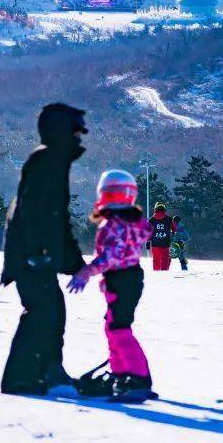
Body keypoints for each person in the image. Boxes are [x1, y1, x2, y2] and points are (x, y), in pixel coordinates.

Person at [0, 103, 87, 396]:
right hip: (30, 256)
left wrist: (75, 262)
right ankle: (21, 378)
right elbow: (35, 211)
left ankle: (49, 371)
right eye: (75, 131)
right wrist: (39, 252)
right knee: (42, 312)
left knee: (52, 311)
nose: (79, 138)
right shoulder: (46, 160)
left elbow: (57, 220)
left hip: (35, 254)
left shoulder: (53, 160)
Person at [68, 170, 156, 401]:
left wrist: (86, 271)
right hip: (130, 279)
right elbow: (143, 234)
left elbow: (112, 256)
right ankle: (121, 375)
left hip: (121, 280)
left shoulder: (112, 224)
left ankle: (137, 378)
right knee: (112, 326)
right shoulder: (134, 222)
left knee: (119, 328)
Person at [148, 204, 175, 271]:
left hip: (155, 243)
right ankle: (164, 275)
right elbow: (174, 229)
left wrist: (148, 241)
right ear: (164, 210)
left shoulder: (151, 220)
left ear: (155, 210)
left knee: (156, 260)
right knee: (165, 259)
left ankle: (156, 275)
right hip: (165, 243)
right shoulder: (169, 219)